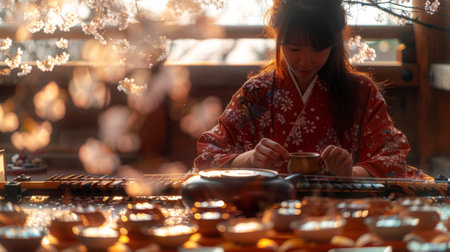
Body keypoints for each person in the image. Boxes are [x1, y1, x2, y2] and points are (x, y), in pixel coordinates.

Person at [193, 0, 427, 179]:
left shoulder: (361, 92)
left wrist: (351, 172)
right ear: (278, 38)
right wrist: (249, 159)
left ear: (335, 41)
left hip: (343, 212)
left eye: (317, 49)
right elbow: (207, 155)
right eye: (294, 48)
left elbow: (393, 157)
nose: (305, 61)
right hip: (268, 211)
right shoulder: (255, 93)